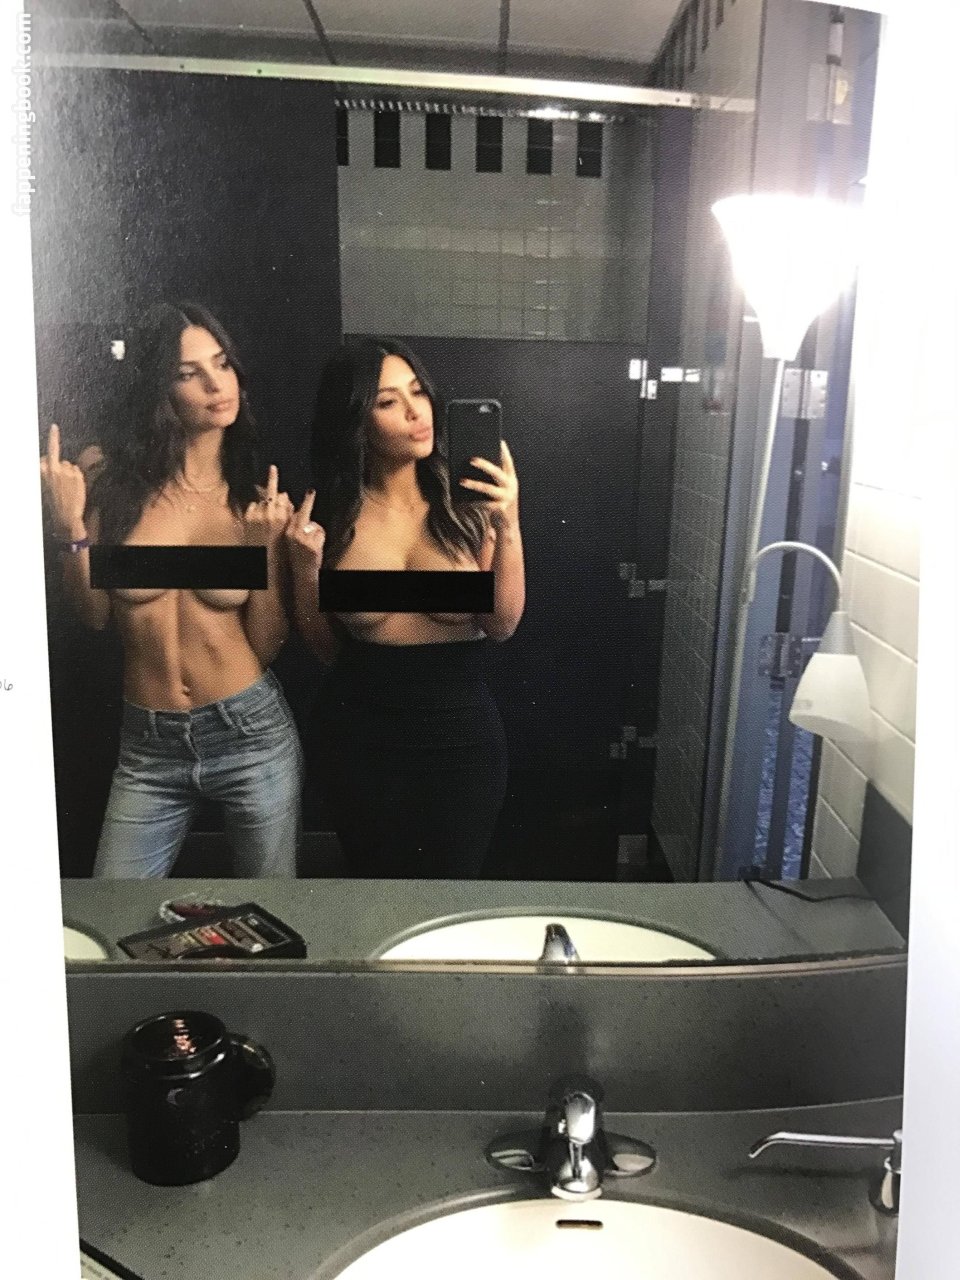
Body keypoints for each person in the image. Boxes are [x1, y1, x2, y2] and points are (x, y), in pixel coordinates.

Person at [39, 301, 303, 878]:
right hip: (149, 745)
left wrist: (263, 551)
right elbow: (93, 615)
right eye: (189, 373)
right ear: (160, 390)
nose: (216, 384)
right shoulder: (112, 484)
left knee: (270, 909)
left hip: (249, 732)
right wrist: (70, 527)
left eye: (223, 364)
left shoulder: (252, 497)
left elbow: (266, 644)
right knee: (114, 906)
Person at [286, 338, 525, 878]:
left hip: (460, 739)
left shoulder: (469, 504)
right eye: (388, 401)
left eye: (418, 392)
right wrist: (304, 571)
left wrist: (508, 524)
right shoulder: (330, 516)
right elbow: (325, 650)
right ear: (356, 421)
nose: (417, 412)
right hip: (358, 736)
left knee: (451, 894)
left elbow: (503, 623)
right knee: (374, 893)